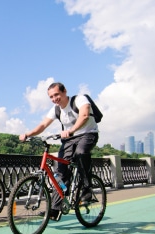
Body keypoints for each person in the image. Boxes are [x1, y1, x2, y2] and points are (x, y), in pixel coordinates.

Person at [19, 82, 99, 220]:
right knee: (60, 173)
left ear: (64, 91)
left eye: (56, 94)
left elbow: (84, 115)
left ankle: (87, 189)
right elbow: (43, 124)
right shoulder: (56, 109)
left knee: (80, 153)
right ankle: (55, 209)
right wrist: (28, 134)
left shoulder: (79, 99)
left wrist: (71, 130)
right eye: (51, 97)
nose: (54, 98)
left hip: (88, 134)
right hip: (69, 139)